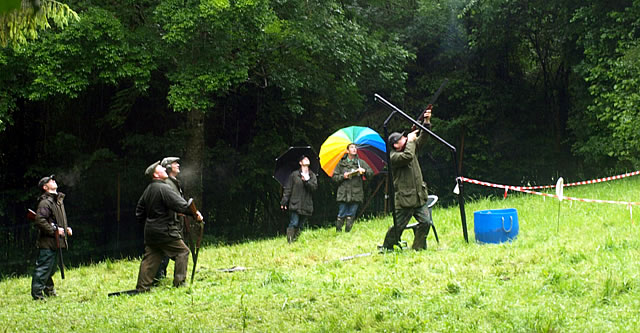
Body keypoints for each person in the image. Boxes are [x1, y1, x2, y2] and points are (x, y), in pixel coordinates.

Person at [135, 161, 202, 291]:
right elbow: (180, 205)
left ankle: (142, 287)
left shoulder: (148, 189)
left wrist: (150, 222)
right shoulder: (163, 188)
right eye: (160, 168)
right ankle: (179, 284)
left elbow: (139, 212)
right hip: (165, 231)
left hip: (150, 232)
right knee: (183, 252)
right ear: (156, 174)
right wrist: (195, 214)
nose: (164, 169)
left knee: (151, 257)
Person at [381, 107, 434, 250]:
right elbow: (408, 157)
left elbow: (424, 137)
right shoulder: (393, 157)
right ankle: (386, 247)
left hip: (418, 196)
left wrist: (426, 122)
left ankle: (418, 248)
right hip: (405, 199)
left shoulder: (409, 147)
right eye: (402, 139)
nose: (406, 138)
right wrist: (410, 140)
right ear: (395, 145)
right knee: (398, 227)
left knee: (426, 222)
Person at [31, 175, 72, 300]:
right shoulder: (45, 202)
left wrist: (65, 229)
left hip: (55, 242)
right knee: (43, 268)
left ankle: (49, 291)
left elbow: (56, 221)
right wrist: (54, 230)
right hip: (48, 242)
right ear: (45, 187)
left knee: (51, 268)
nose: (53, 181)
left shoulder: (56, 201)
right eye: (50, 181)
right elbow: (39, 220)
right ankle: (37, 295)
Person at [154, 157, 186, 282]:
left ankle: (159, 276)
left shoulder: (173, 182)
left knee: (165, 251)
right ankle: (161, 277)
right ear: (168, 167)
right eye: (175, 163)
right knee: (171, 251)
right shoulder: (167, 184)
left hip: (173, 222)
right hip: (168, 223)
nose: (178, 165)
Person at [332, 143, 372, 232]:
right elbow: (334, 177)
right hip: (343, 193)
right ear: (347, 150)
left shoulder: (360, 163)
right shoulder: (341, 163)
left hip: (356, 193)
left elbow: (371, 173)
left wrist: (364, 171)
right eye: (352, 147)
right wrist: (343, 176)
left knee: (351, 214)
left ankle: (347, 232)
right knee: (341, 213)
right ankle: (338, 232)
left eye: (355, 147)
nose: (354, 149)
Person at [280, 155, 318, 243]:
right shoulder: (294, 175)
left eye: (308, 159)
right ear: (300, 163)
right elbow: (288, 189)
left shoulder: (312, 175)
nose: (306, 160)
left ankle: (296, 240)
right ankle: (290, 241)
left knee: (301, 225)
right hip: (295, 203)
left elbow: (314, 188)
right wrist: (284, 202)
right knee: (294, 223)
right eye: (304, 159)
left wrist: (306, 181)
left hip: (306, 204)